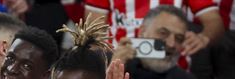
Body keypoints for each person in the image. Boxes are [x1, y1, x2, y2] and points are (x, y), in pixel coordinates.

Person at [84, 0, 224, 58]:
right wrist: (108, 60)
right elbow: (93, 31)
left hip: (170, 64)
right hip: (122, 64)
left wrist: (203, 37)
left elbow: (214, 21)